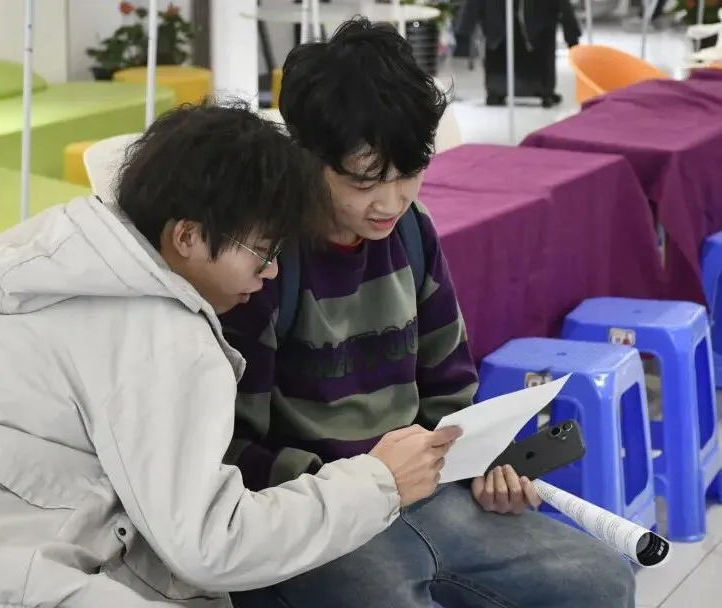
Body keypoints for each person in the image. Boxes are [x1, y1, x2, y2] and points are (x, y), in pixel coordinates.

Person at [0, 102, 463, 608]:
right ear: (187, 236)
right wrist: (377, 482)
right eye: (262, 251)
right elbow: (212, 544)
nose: (271, 271)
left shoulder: (73, 261)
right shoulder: (158, 332)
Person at [222, 19, 637, 608]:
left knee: (602, 581)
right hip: (320, 513)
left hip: (424, 493)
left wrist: (480, 464)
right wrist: (361, 482)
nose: (390, 201)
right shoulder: (262, 264)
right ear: (307, 157)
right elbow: (230, 450)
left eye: (409, 174)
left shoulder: (411, 233)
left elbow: (448, 389)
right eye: (365, 182)